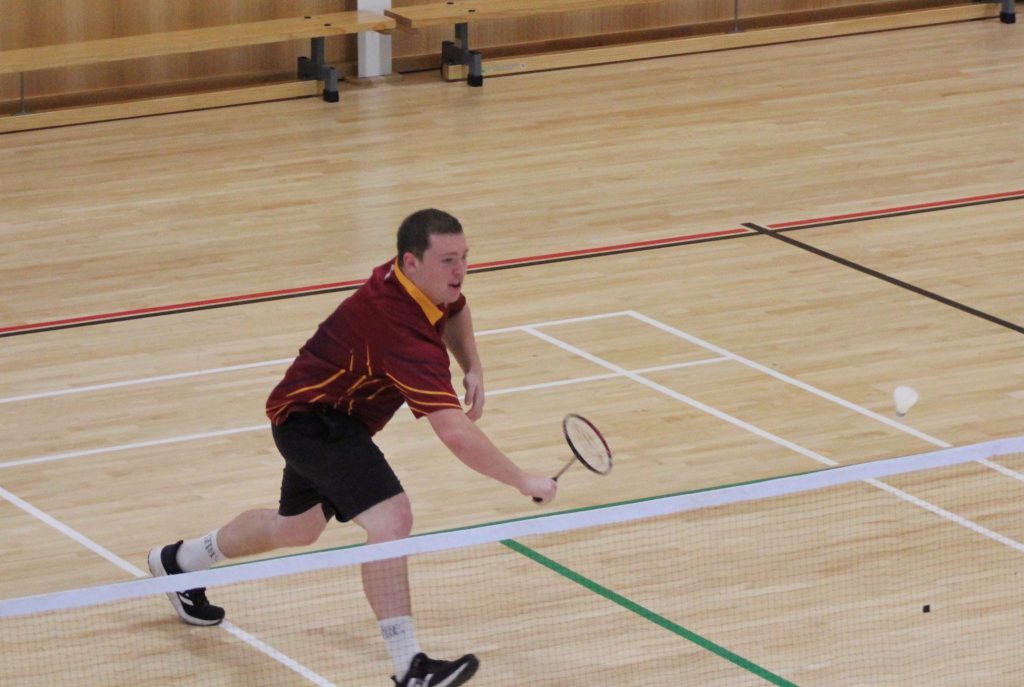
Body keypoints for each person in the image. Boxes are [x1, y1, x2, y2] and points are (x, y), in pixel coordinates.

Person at [148, 208, 558, 687]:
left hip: (327, 415)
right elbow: (454, 433)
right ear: (410, 261)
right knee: (392, 519)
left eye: (464, 257)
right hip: (313, 422)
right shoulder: (398, 329)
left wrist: (472, 365)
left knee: (296, 529)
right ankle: (410, 668)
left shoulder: (418, 284)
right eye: (448, 260)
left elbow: (457, 307)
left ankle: (178, 563)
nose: (460, 271)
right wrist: (522, 479)